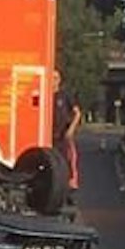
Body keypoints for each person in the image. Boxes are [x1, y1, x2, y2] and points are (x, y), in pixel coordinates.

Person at [51, 69, 83, 198]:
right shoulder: (46, 94)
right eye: (51, 78)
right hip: (49, 135)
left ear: (59, 80)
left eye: (55, 78)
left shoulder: (65, 96)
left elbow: (77, 113)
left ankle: (70, 184)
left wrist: (71, 129)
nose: (53, 81)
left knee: (66, 160)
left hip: (63, 135)